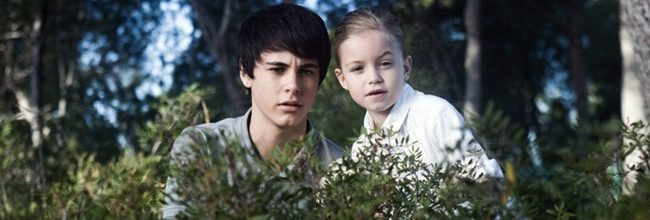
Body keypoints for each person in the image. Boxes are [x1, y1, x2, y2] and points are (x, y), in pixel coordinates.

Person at [162, 3, 344, 219]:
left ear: (319, 79)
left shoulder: (339, 165)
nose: (293, 85)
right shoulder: (202, 146)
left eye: (306, 71)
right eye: (277, 69)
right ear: (246, 74)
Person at [332, 7, 502, 180]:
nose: (373, 78)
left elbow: (487, 182)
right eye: (358, 68)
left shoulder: (435, 114)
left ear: (406, 67)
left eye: (385, 63)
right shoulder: (361, 149)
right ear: (343, 79)